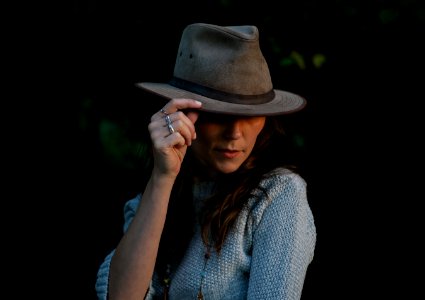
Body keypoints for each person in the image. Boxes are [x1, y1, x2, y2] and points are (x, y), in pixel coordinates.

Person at [95, 22, 316, 300]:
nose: (235, 133)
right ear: (180, 113)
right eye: (218, 114)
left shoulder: (277, 196)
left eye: (250, 115)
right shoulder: (153, 200)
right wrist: (163, 179)